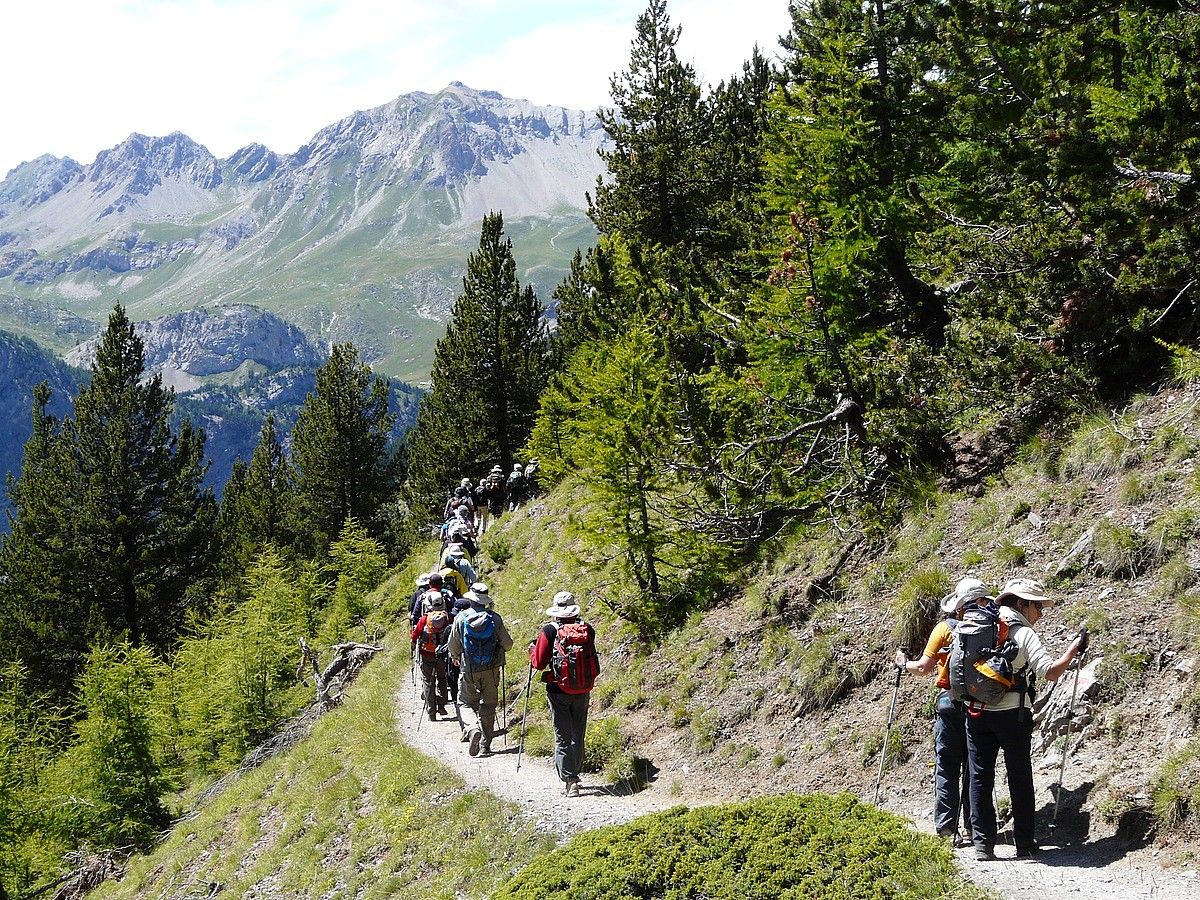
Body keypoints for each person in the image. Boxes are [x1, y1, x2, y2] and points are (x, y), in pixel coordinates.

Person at [964, 578, 1086, 861]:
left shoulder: (976, 626)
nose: (1040, 613)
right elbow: (1050, 672)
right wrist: (1073, 650)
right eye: (1037, 606)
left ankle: (983, 845)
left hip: (976, 711)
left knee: (980, 777)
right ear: (1022, 603)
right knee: (1019, 776)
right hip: (1012, 714)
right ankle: (1025, 843)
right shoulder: (1024, 633)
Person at [895, 577, 992, 846]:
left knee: (947, 766)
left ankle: (948, 830)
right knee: (975, 768)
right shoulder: (993, 629)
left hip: (949, 703)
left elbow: (924, 668)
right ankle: (975, 828)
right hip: (980, 705)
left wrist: (903, 664)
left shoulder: (944, 629)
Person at [529, 591, 601, 797]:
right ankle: (575, 773)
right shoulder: (588, 629)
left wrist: (532, 651)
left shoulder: (550, 630)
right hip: (583, 688)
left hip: (558, 688)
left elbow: (539, 663)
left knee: (562, 735)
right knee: (578, 733)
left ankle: (571, 781)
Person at [448, 585, 513, 757]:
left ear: (470, 599)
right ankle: (485, 745)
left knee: (464, 703)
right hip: (491, 669)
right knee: (489, 705)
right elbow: (508, 645)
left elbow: (453, 645)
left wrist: (456, 656)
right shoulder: (495, 619)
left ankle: (472, 729)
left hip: (469, 668)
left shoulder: (461, 618)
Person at [411, 594, 451, 719]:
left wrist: (413, 644)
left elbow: (416, 633)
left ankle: (431, 712)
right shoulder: (446, 617)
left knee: (429, 682)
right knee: (442, 679)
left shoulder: (425, 618)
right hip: (442, 654)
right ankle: (442, 705)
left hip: (427, 654)